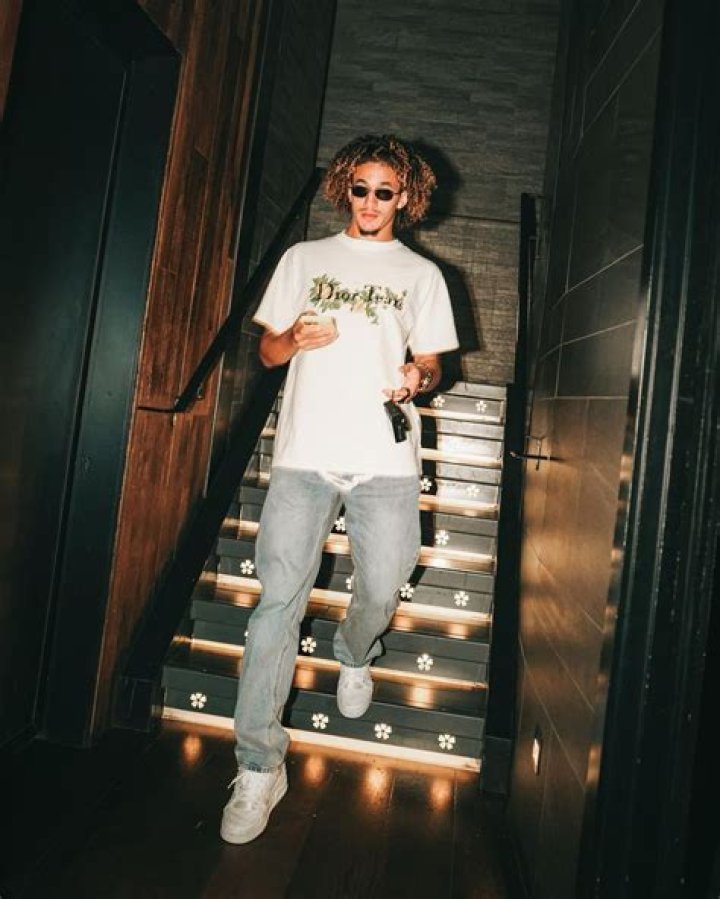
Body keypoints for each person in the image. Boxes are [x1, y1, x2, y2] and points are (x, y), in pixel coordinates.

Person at [220, 134, 459, 844]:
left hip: (384, 459)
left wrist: (417, 377)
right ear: (344, 187)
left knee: (383, 586)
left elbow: (433, 363)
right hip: (305, 456)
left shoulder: (423, 274)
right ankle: (259, 763)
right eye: (360, 188)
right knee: (276, 606)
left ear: (405, 197)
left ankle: (356, 653)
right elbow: (267, 351)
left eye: (385, 191)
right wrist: (293, 339)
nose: (370, 202)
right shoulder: (303, 259)